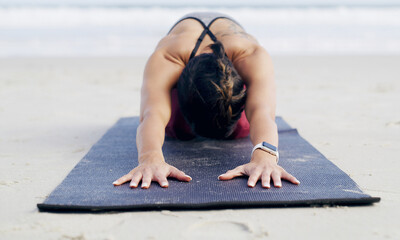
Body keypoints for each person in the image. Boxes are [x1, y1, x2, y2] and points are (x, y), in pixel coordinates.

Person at [113, 12, 300, 189]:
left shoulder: (251, 55)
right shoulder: (168, 57)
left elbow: (263, 112)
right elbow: (151, 113)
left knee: (244, 128)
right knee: (175, 129)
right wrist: (150, 159)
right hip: (184, 64)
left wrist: (265, 158)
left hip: (231, 66)